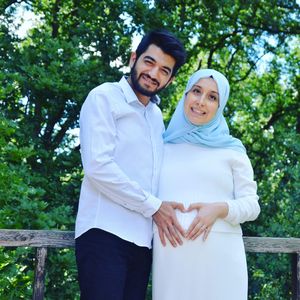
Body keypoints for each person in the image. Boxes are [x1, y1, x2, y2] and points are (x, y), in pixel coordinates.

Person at [74, 29, 187, 300]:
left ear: (169, 79)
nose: (153, 73)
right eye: (149, 62)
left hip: (143, 243)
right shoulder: (104, 97)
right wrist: (154, 206)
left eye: (164, 70)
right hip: (104, 234)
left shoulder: (157, 116)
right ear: (133, 58)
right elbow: (98, 166)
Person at [152, 69, 261, 300]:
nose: (201, 102)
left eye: (212, 97)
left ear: (220, 106)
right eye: (196, 91)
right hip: (170, 261)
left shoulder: (232, 149)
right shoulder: (161, 146)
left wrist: (219, 209)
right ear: (185, 94)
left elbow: (252, 205)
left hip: (221, 261)